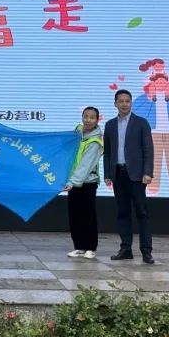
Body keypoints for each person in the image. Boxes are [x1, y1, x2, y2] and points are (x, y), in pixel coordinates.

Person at [102, 88, 156, 264]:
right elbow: (107, 152)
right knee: (123, 212)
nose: (124, 104)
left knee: (142, 212)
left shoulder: (141, 123)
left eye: (127, 101)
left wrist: (148, 172)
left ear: (131, 103)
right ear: (115, 103)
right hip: (118, 174)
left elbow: (148, 149)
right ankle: (125, 249)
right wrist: (107, 174)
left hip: (137, 175)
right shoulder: (110, 125)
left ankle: (146, 251)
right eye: (121, 101)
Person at [132, 58, 169, 196]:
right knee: (153, 162)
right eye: (157, 82)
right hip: (152, 134)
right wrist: (149, 98)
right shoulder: (144, 98)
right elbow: (134, 114)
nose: (161, 84)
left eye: (164, 82)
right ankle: (152, 190)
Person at [62, 107, 104, 259]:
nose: (88, 120)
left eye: (92, 117)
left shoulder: (95, 141)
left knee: (88, 215)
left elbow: (86, 165)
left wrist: (73, 181)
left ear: (97, 120)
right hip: (73, 182)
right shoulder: (78, 132)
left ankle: (90, 248)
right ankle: (79, 246)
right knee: (74, 215)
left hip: (87, 183)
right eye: (86, 116)